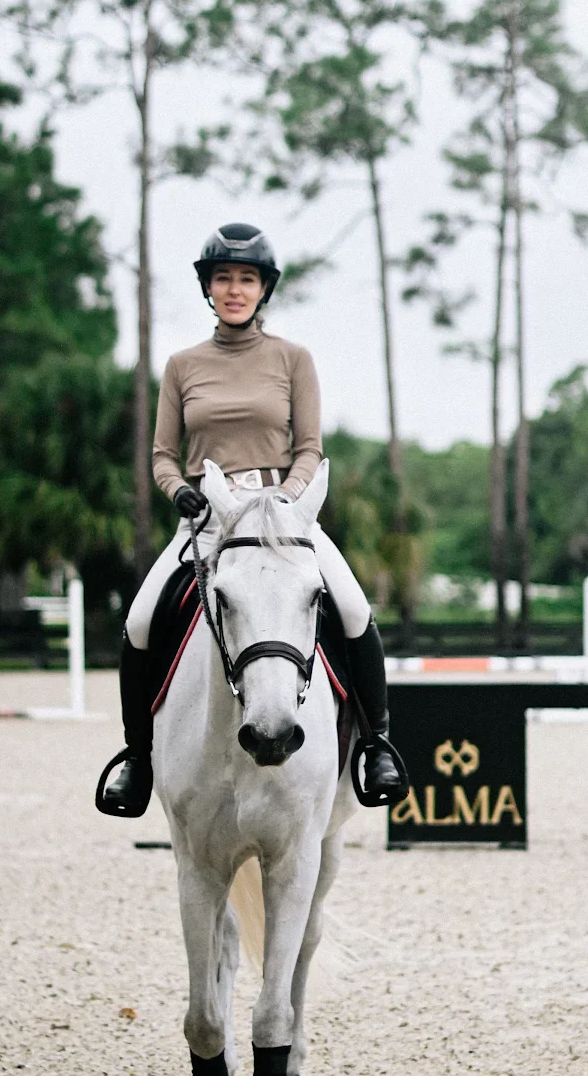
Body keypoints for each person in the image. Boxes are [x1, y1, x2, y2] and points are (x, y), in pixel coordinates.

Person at [96, 220, 409, 817]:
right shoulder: (182, 366)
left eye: (246, 279)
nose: (234, 289)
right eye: (223, 279)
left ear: (264, 288)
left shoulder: (293, 360)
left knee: (353, 609)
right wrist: (177, 492)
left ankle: (374, 744)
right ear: (208, 289)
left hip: (284, 516)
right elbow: (164, 454)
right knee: (140, 622)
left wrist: (286, 502)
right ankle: (138, 758)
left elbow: (310, 447)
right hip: (210, 517)